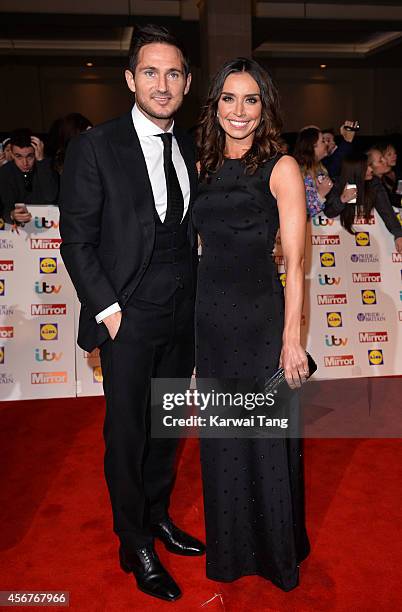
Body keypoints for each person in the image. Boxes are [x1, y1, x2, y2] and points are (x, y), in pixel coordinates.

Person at [59, 24, 204, 603]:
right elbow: (76, 240)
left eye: (173, 73)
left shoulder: (194, 145)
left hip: (182, 313)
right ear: (129, 79)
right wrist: (110, 311)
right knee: (127, 433)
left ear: (187, 83)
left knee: (167, 428)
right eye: (151, 72)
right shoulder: (98, 146)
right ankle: (133, 540)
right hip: (128, 315)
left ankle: (158, 515)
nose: (162, 84)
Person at [193, 57, 310, 591]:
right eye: (229, 99)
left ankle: (273, 552)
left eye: (251, 100)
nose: (239, 112)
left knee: (263, 436)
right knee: (222, 438)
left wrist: (292, 340)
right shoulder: (202, 166)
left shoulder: (281, 166)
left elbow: (296, 261)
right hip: (212, 321)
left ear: (265, 107)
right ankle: (232, 550)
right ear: (215, 104)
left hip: (261, 319)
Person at [323, 152, 402, 253]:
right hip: (341, 244)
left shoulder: (374, 184)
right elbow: (329, 212)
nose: (371, 169)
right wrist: (342, 200)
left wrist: (399, 234)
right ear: (356, 170)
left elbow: (386, 211)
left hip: (369, 243)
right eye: (367, 167)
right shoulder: (337, 184)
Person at [0, 128, 59, 224]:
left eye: (29, 156)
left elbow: (50, 196)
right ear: (11, 153)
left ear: (36, 152)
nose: (25, 163)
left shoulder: (46, 167)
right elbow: (4, 206)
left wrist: (41, 161)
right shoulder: (5, 172)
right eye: (18, 156)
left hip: (48, 227)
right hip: (14, 233)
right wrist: (11, 215)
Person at [293, 127, 333, 216]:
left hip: (320, 226)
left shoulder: (320, 169)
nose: (326, 143)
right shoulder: (297, 172)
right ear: (312, 146)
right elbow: (302, 211)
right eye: (322, 141)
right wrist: (321, 194)